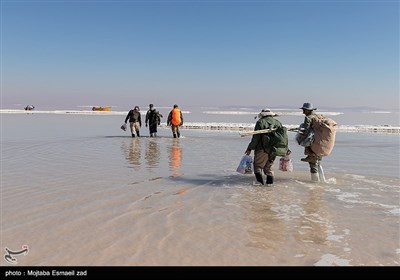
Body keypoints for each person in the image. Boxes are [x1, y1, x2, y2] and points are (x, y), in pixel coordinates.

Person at [245, 108, 289, 186]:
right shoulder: (277, 122)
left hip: (262, 148)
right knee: (269, 168)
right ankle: (269, 185)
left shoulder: (260, 122)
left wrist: (249, 148)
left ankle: (260, 184)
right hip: (274, 149)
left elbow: (256, 138)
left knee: (257, 166)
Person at [297, 102, 321, 181]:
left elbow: (306, 131)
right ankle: (321, 179)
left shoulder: (308, 118)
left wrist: (301, 139)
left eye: (304, 110)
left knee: (312, 163)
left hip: (312, 142)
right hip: (319, 142)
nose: (303, 112)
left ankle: (315, 182)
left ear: (308, 110)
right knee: (318, 162)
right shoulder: (318, 116)